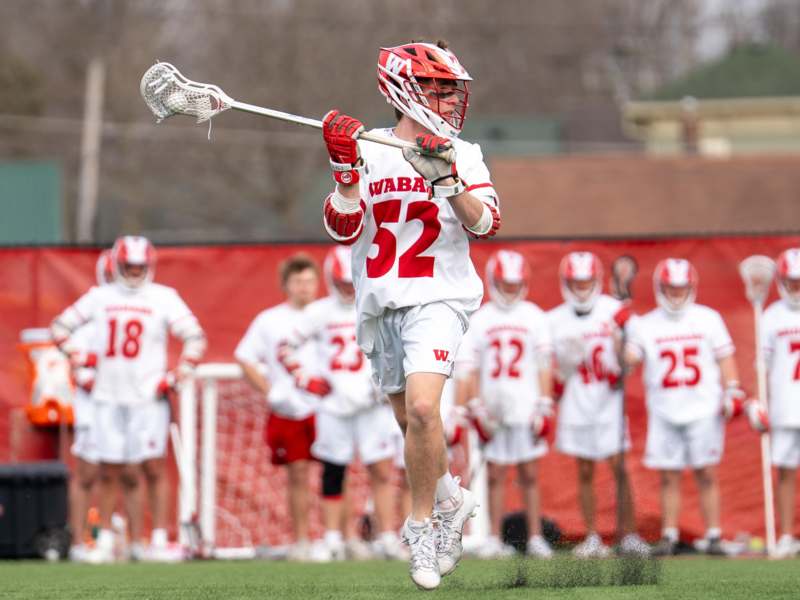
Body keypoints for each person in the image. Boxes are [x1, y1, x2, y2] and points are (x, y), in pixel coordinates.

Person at [319, 39, 500, 589]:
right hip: (379, 302)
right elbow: (341, 229)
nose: (449, 101)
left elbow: (486, 223)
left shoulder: (460, 151)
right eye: (438, 89)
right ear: (403, 90)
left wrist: (447, 181)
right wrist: (346, 176)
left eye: (452, 91)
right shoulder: (369, 148)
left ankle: (421, 529)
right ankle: (450, 499)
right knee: (410, 424)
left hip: (440, 297)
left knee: (424, 410)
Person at [51, 236, 206, 562]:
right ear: (118, 265)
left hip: (147, 397)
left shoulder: (164, 297)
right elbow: (60, 327)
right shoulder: (100, 297)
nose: (134, 273)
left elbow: (193, 335)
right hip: (107, 397)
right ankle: (104, 538)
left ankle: (154, 540)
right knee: (109, 470)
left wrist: (180, 372)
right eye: (129, 267)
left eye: (139, 267)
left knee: (150, 468)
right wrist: (77, 358)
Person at [289, 246, 405, 561]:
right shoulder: (318, 313)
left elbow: (396, 346)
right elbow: (287, 348)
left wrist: (386, 380)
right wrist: (305, 379)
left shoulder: (377, 304)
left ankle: (386, 536)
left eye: (349, 282)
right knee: (333, 471)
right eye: (340, 282)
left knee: (382, 471)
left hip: (370, 403)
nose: (346, 288)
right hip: (334, 404)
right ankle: (331, 538)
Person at [624, 258, 745, 556]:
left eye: (681, 289)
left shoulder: (708, 318)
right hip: (665, 409)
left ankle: (714, 535)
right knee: (668, 474)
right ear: (660, 288)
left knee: (706, 472)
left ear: (691, 288)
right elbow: (628, 361)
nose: (676, 295)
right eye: (670, 289)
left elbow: (725, 357)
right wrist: (621, 332)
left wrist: (732, 389)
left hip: (703, 407)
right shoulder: (646, 324)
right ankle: (669, 535)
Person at [548, 251, 649, 557]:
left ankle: (629, 534)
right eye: (575, 283)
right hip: (577, 400)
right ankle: (592, 536)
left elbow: (634, 355)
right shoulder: (554, 319)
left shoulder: (615, 311)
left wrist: (622, 349)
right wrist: (563, 364)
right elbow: (551, 371)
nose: (581, 288)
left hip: (608, 399)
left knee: (620, 468)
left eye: (586, 282)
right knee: (585, 470)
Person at [458, 249, 554, 559]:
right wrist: (475, 406)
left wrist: (544, 404)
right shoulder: (481, 319)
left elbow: (543, 364)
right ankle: (495, 537)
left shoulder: (534, 316)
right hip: (494, 406)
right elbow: (470, 367)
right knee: (495, 473)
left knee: (530, 473)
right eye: (505, 285)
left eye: (515, 285)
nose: (510, 291)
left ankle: (536, 536)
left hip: (525, 405)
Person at [234, 253, 331, 561]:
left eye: (309, 281)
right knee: (298, 474)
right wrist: (270, 390)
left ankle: (335, 537)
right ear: (286, 285)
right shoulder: (270, 320)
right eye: (298, 281)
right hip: (290, 407)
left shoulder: (330, 314)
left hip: (331, 407)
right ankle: (302, 539)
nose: (305, 287)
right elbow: (245, 357)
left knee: (336, 471)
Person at [64, 250, 114, 562]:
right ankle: (78, 541)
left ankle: (113, 539)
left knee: (123, 472)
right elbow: (76, 358)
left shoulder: (145, 308)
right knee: (87, 472)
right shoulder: (91, 309)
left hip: (129, 404)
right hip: (95, 405)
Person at [753, 248, 800, 558]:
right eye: (791, 282)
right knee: (785, 470)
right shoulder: (770, 316)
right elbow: (762, 365)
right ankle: (785, 535)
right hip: (785, 405)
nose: (795, 287)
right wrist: (760, 400)